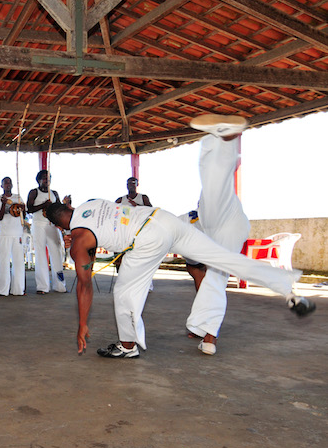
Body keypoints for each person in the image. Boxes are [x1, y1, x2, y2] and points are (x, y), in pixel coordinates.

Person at [46, 199, 315, 359]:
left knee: (124, 293)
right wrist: (78, 236)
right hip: (163, 219)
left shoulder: (79, 241)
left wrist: (82, 324)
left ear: (58, 227)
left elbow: (84, 285)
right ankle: (285, 286)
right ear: (70, 205)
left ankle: (128, 346)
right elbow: (102, 224)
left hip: (147, 237)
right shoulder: (89, 203)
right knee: (220, 257)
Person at [182, 114, 254, 355]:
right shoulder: (198, 213)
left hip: (229, 229)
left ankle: (210, 336)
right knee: (206, 276)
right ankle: (203, 328)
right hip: (225, 227)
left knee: (215, 280)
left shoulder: (213, 203)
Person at [27, 170, 66, 294]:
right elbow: (29, 209)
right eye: (44, 178)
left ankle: (60, 285)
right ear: (38, 180)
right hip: (39, 225)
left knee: (57, 254)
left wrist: (65, 204)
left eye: (48, 178)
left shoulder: (54, 193)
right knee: (41, 254)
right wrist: (43, 205)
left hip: (52, 226)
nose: (46, 180)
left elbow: (60, 209)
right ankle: (42, 286)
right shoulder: (34, 192)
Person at [0, 177, 26, 296]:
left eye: (9, 182)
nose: (8, 184)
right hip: (5, 233)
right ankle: (1, 290)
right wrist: (3, 204)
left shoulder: (18, 197)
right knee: (3, 261)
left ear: (12, 185)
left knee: (18, 262)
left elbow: (24, 214)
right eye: (5, 183)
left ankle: (18, 289)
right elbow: (0, 217)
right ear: (1, 186)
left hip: (17, 232)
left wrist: (23, 208)